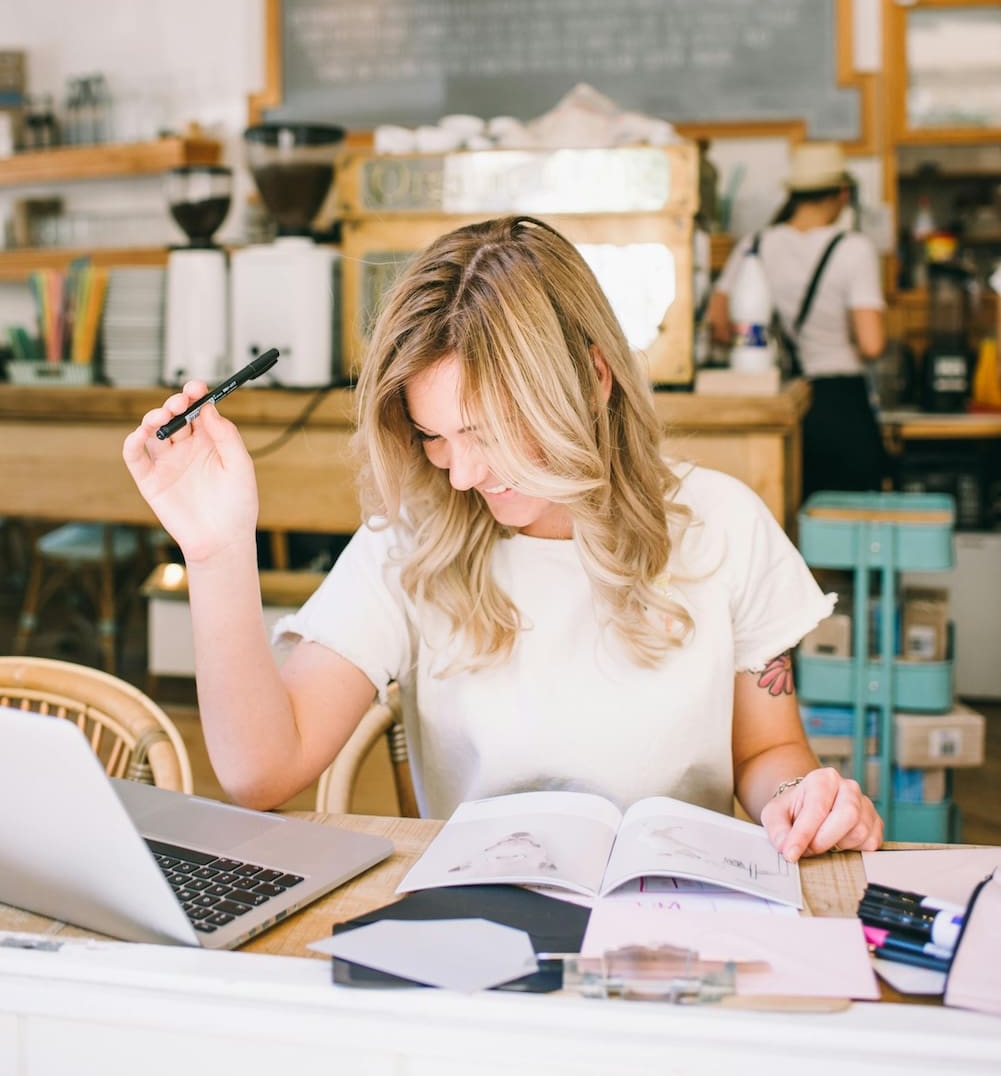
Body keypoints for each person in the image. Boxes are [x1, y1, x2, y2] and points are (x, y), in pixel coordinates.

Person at [123, 214, 882, 861]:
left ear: (592, 379)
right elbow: (262, 770)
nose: (462, 475)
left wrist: (796, 799)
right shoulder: (414, 538)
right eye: (435, 436)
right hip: (479, 938)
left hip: (674, 928)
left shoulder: (724, 522)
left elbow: (766, 751)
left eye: (490, 431)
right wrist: (217, 550)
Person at [708, 142, 887, 502]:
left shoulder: (754, 245)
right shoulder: (853, 248)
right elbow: (872, 344)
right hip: (842, 404)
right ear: (842, 194)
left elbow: (720, 325)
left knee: (793, 522)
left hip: (783, 399)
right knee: (849, 529)